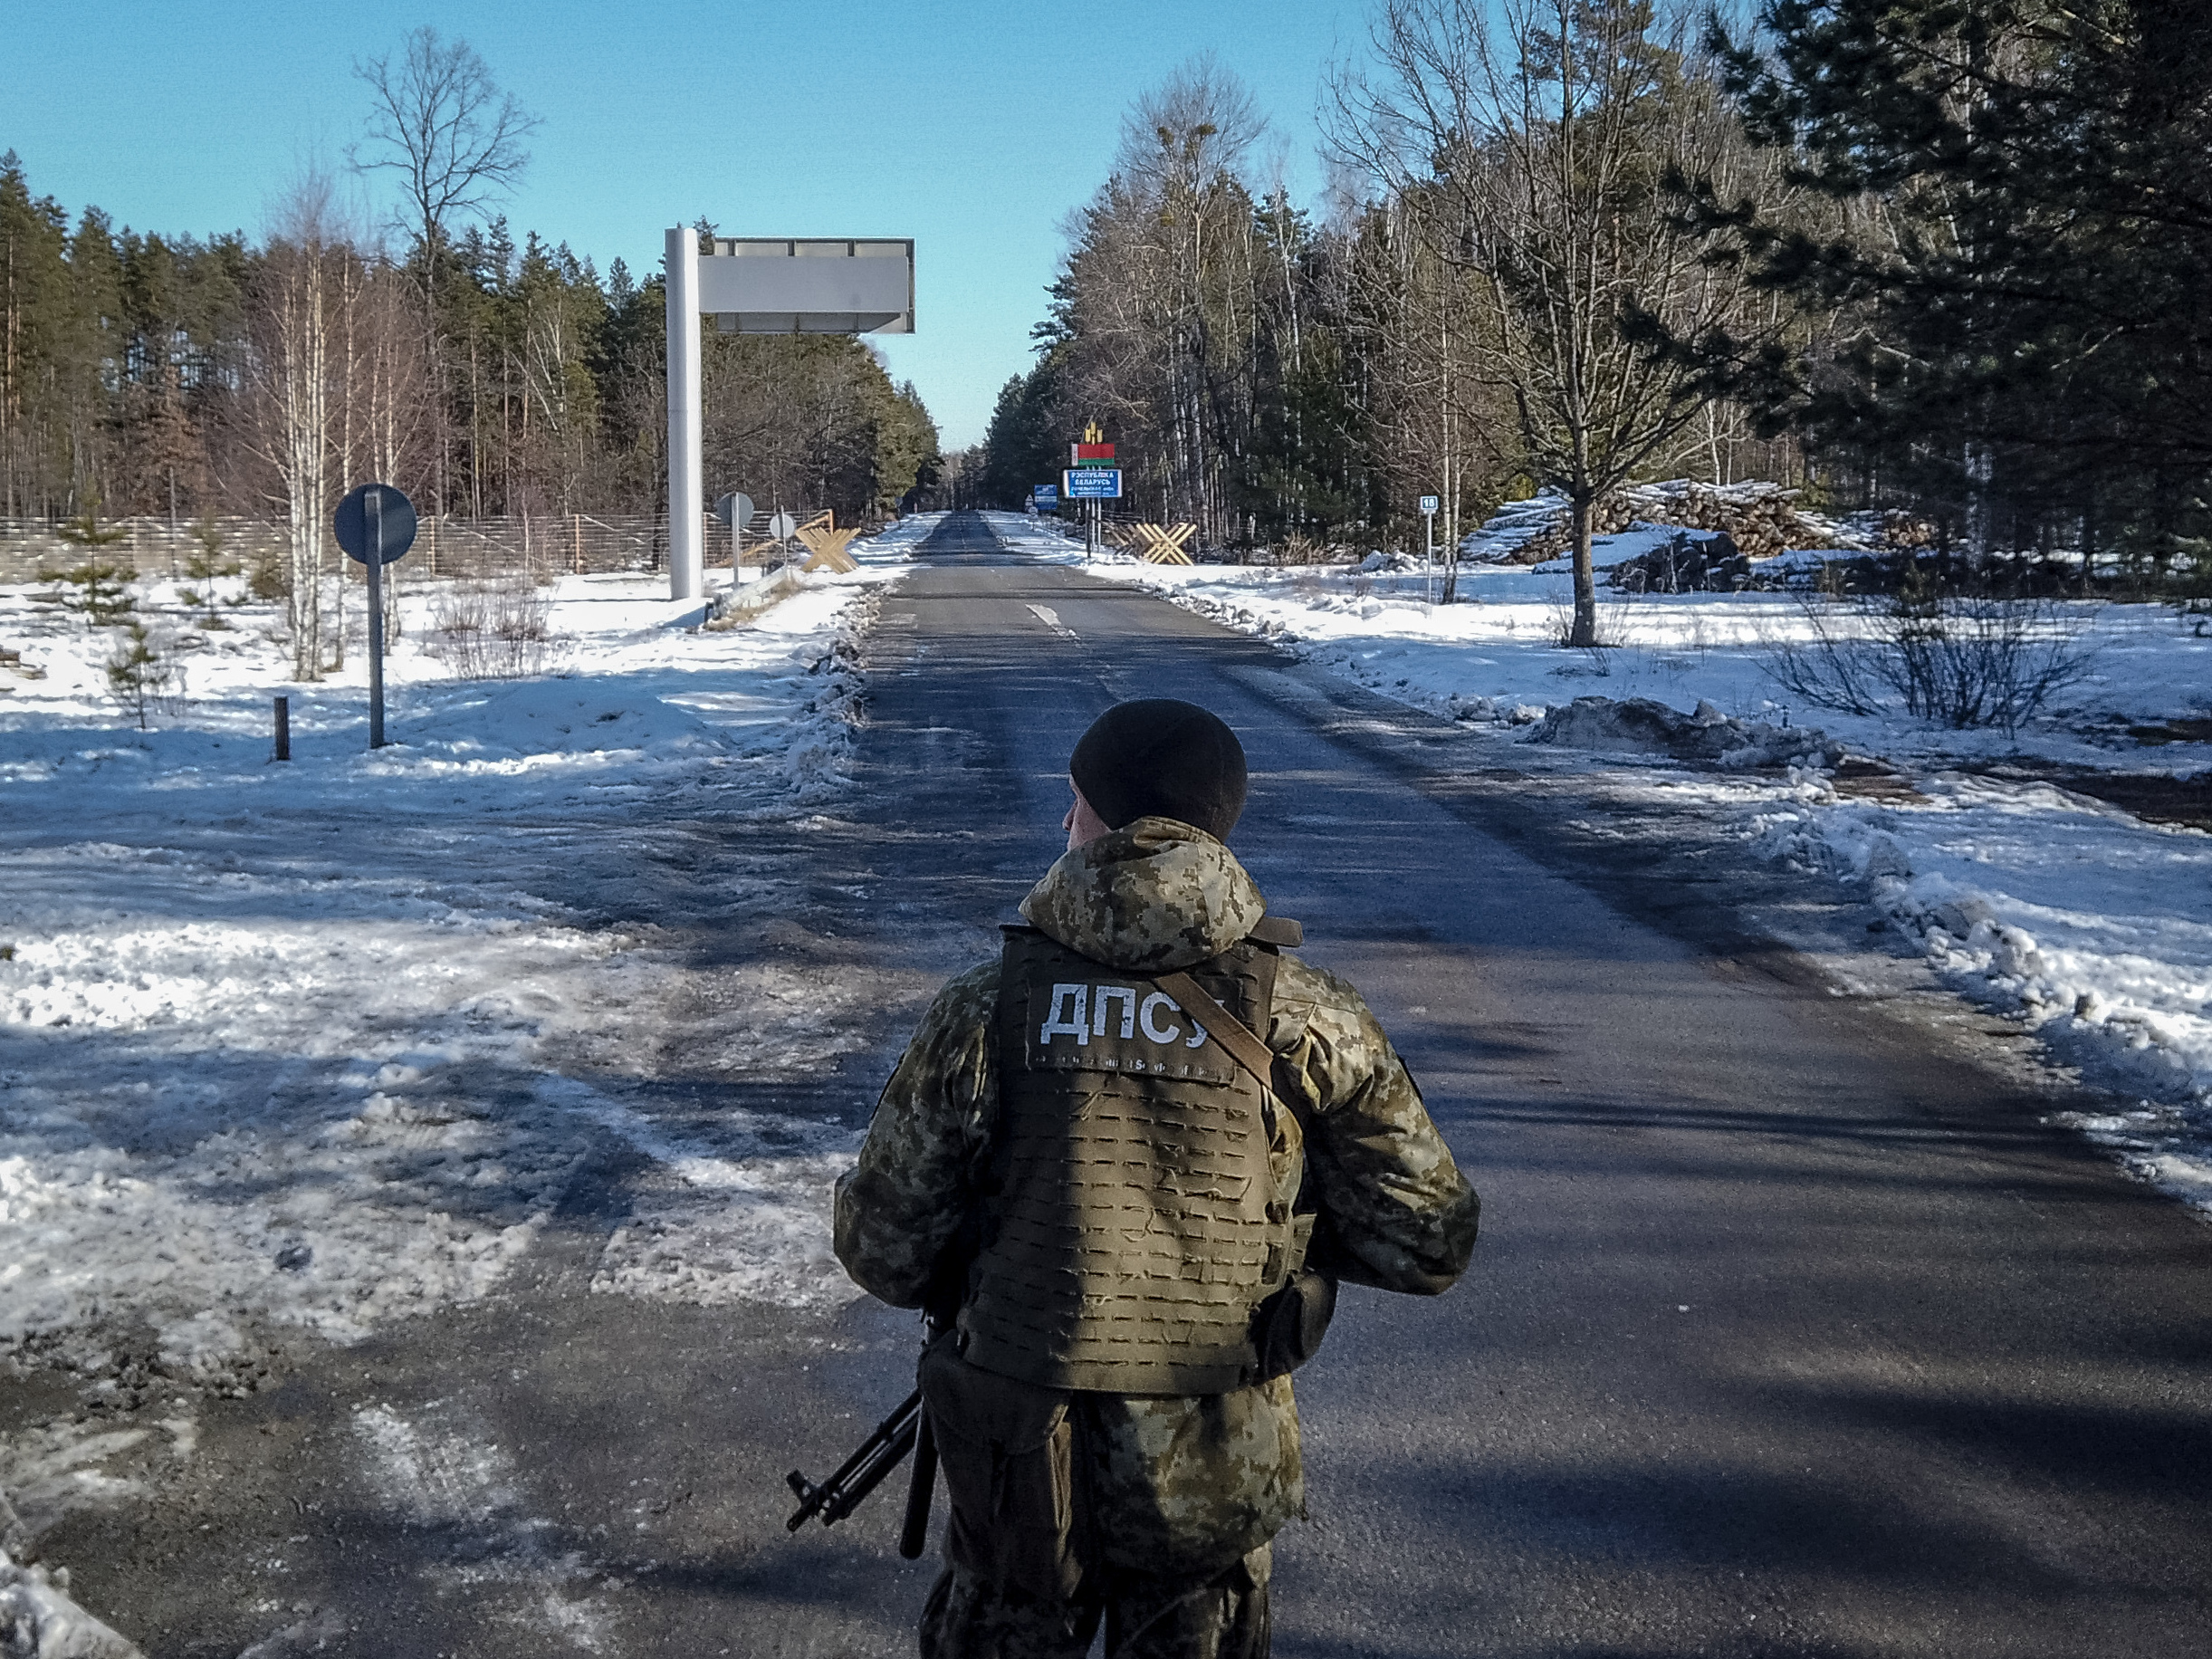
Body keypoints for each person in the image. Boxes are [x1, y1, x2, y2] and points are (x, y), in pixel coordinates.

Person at [834, 698, 1479, 1659]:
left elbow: (884, 1250)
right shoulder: (1307, 1015)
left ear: (1111, 821)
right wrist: (1264, 1232)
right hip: (1211, 1463)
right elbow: (1429, 1238)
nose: (1064, 823)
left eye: (1077, 801)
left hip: (1017, 1458)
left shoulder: (984, 1008)